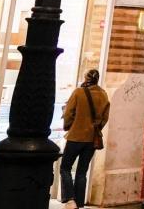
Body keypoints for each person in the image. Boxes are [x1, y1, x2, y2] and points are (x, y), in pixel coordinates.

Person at [59, 69, 110, 209]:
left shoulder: (78, 92)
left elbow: (69, 113)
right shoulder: (104, 95)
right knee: (82, 171)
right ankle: (80, 202)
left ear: (86, 78)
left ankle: (70, 200)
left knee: (65, 168)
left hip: (76, 136)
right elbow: (105, 118)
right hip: (91, 139)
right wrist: (96, 128)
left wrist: (68, 125)